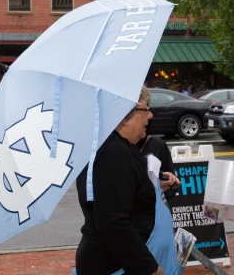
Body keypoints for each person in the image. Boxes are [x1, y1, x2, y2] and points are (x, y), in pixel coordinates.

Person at [75, 86, 180, 275]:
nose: (150, 116)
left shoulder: (114, 147)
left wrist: (151, 187)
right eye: (145, 109)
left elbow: (119, 195)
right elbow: (112, 221)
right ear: (123, 115)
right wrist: (148, 268)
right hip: (115, 265)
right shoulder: (114, 152)